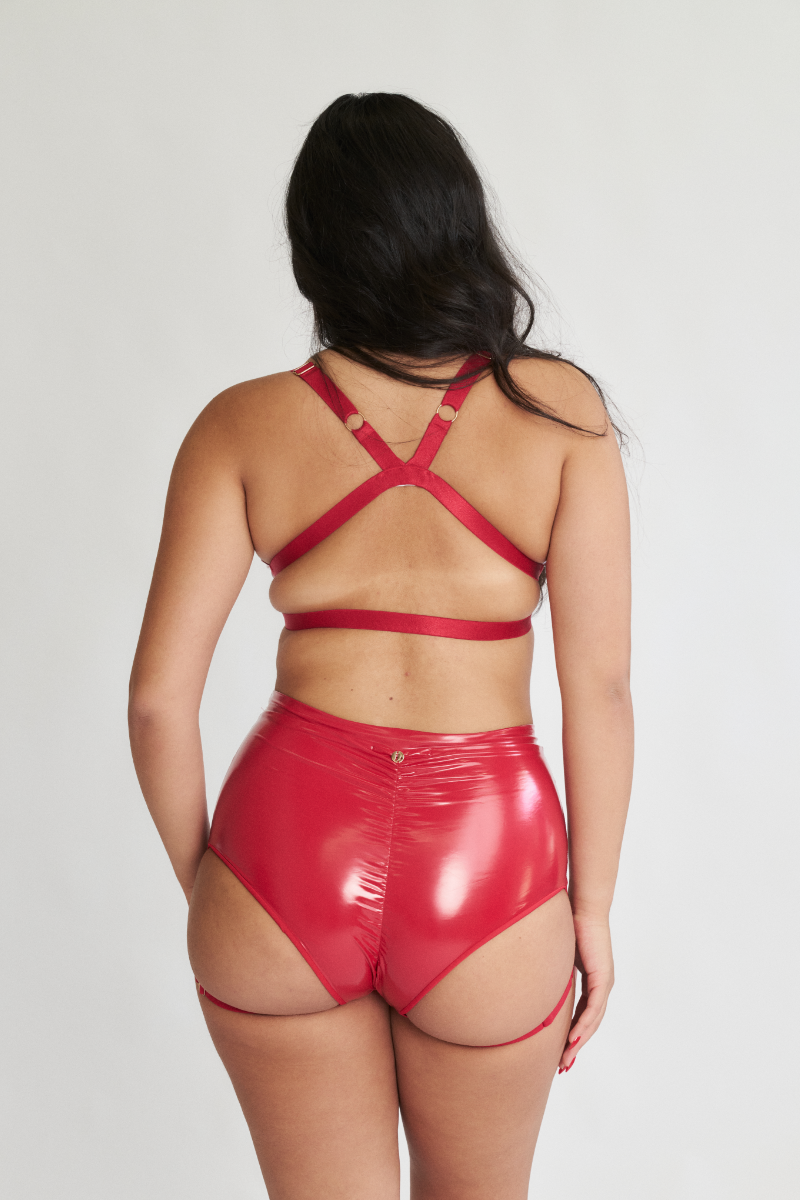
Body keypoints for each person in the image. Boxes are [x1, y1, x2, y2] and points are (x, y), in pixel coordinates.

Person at [129, 92, 633, 1200]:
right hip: (489, 862)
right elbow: (597, 688)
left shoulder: (239, 423)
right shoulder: (559, 412)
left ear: (315, 246)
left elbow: (158, 701)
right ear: (458, 224)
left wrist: (216, 885)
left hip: (283, 843)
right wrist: (590, 909)